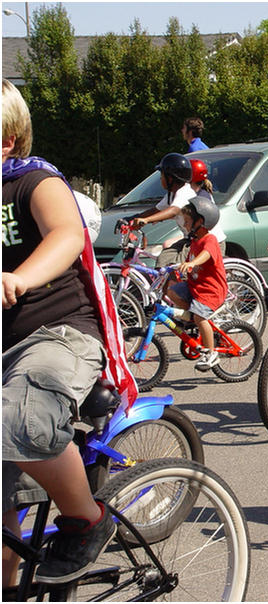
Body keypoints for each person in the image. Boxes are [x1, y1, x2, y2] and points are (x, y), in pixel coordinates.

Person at [2, 78, 116, 586]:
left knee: (22, 416)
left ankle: (87, 519)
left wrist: (20, 277)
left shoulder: (32, 180)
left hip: (57, 335)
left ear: (6, 138)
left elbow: (67, 234)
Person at [165, 196, 228, 371]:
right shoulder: (194, 242)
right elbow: (188, 263)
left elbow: (206, 255)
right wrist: (176, 270)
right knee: (171, 291)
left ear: (200, 221)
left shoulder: (210, 240)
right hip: (195, 286)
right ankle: (193, 318)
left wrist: (193, 263)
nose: (185, 225)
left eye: (187, 221)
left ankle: (211, 354)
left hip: (211, 291)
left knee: (201, 317)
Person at [130, 153, 225, 266]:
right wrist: (131, 219)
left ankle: (176, 283)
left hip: (207, 242)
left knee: (176, 266)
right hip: (191, 240)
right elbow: (156, 210)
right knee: (163, 260)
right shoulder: (171, 195)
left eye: (162, 175)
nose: (160, 178)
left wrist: (146, 220)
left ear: (170, 178)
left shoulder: (185, 192)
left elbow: (174, 210)